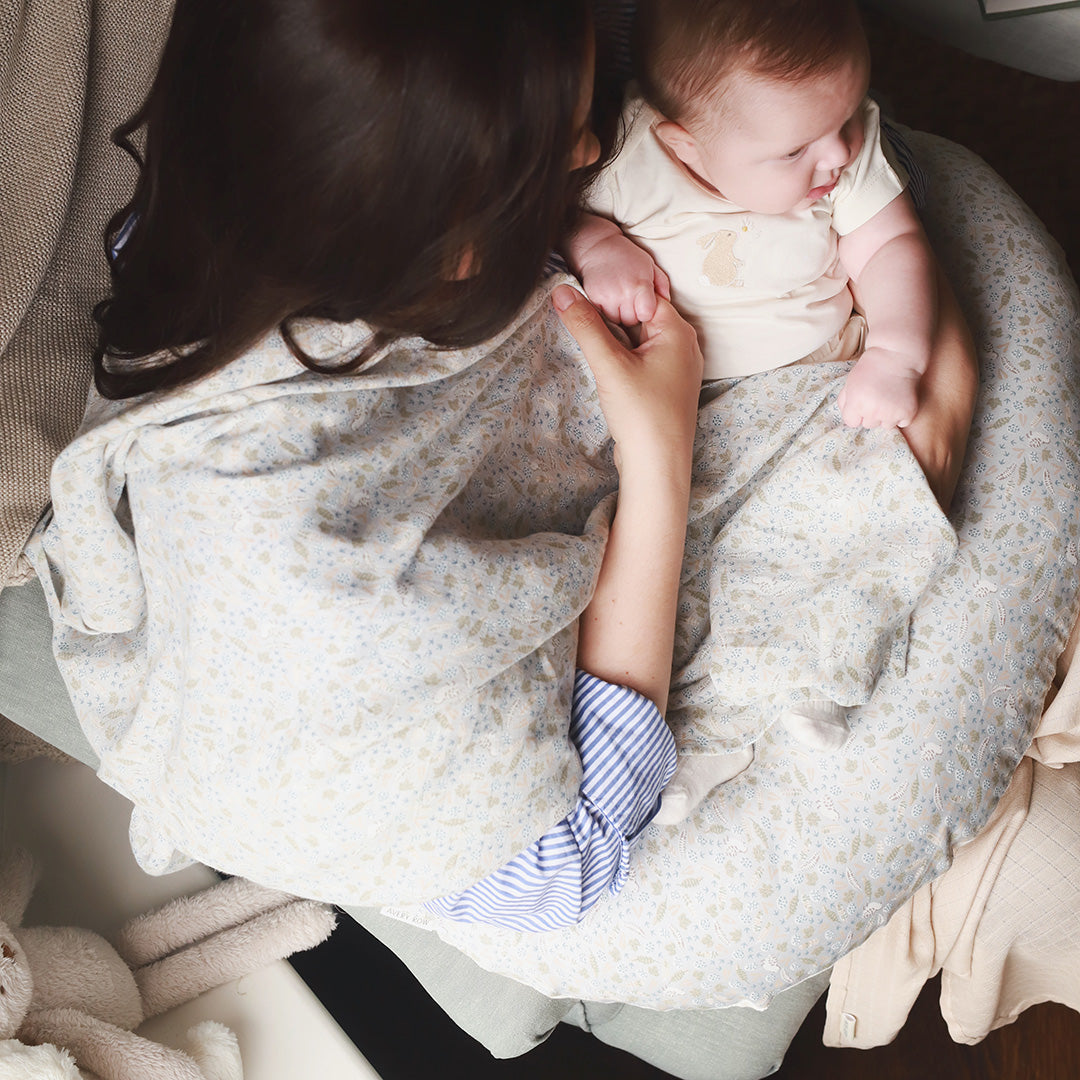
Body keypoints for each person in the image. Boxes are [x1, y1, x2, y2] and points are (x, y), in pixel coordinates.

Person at [4, 0, 995, 1075]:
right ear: (445, 217)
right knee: (898, 464)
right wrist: (658, 457)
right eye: (560, 145)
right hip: (440, 803)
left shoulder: (260, 185)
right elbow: (566, 866)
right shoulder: (324, 573)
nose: (589, 150)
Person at [568, 0, 967, 818]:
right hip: (700, 414)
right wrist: (597, 245)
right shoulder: (632, 155)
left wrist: (895, 354)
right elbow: (557, 212)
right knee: (686, 571)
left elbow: (892, 246)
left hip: (821, 390)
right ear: (686, 144)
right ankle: (711, 738)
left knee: (855, 521)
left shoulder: (841, 152)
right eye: (797, 149)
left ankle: (820, 672)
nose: (840, 152)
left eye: (847, 117)